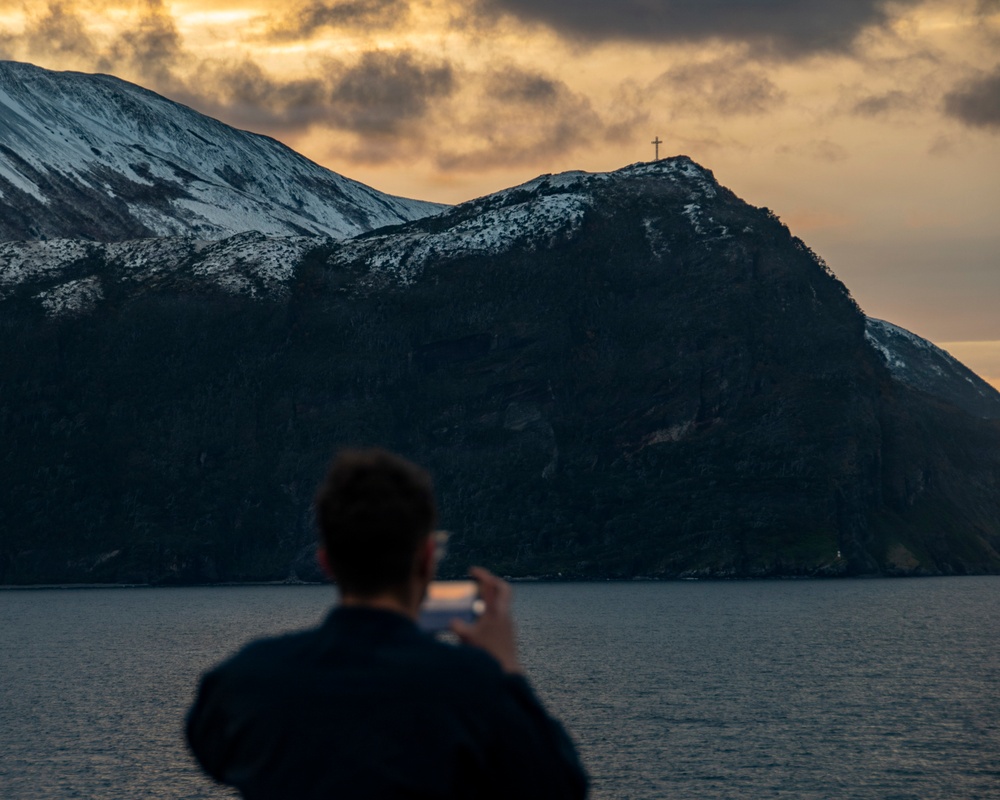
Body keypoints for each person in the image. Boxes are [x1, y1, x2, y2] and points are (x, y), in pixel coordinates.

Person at [186, 448, 588, 799]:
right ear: (427, 558)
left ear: (326, 562)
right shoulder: (474, 688)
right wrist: (506, 666)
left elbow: (210, 750)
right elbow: (560, 788)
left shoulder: (248, 678)